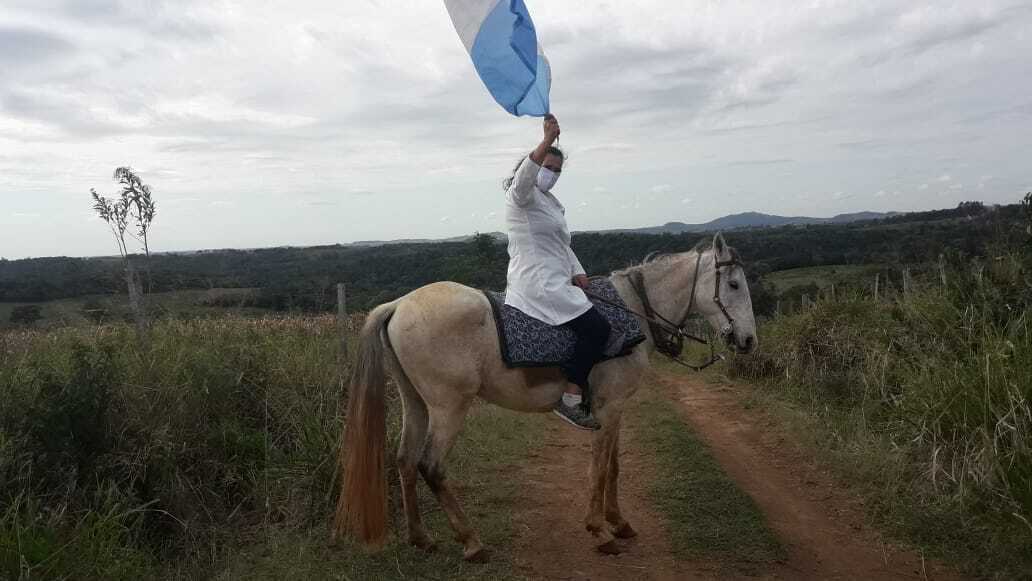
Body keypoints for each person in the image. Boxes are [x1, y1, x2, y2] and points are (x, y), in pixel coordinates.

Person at [503, 114, 611, 431]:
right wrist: (547, 141)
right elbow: (525, 178)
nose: (552, 174)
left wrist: (578, 271)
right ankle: (571, 398)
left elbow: (562, 245)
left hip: (558, 278)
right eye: (548, 168)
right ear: (535, 165)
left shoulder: (551, 203)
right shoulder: (520, 196)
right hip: (538, 282)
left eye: (557, 171)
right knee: (598, 330)